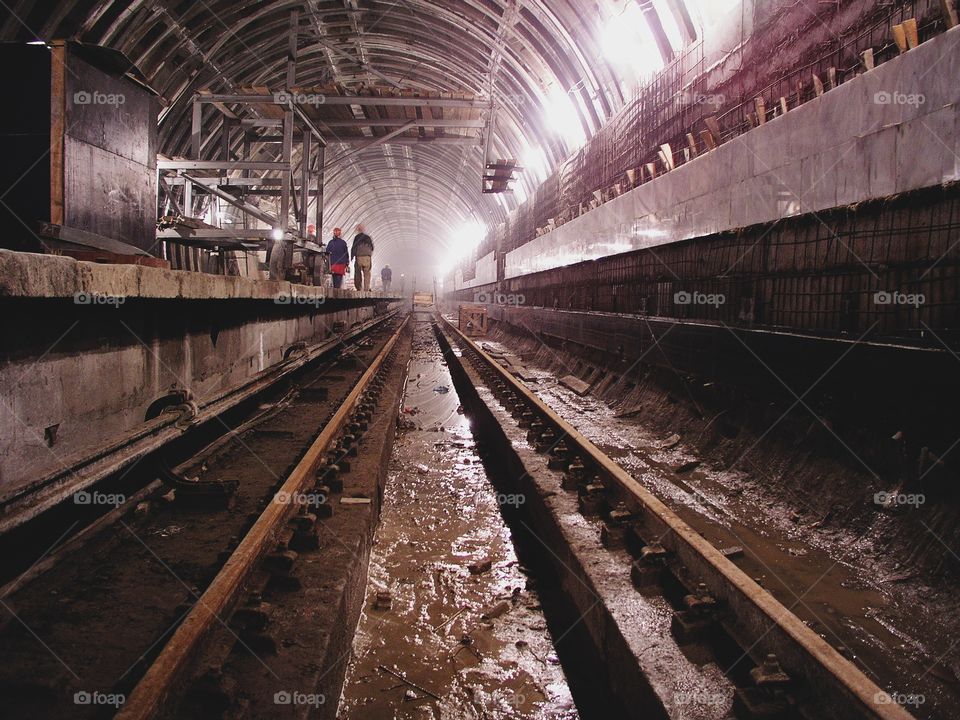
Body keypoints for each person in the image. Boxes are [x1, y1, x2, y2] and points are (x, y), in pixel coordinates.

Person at [351, 224, 374, 291]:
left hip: (359, 257)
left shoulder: (356, 237)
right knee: (367, 274)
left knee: (358, 273)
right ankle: (366, 288)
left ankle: (359, 288)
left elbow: (354, 247)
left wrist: (352, 256)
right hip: (367, 257)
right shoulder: (368, 237)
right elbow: (372, 247)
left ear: (358, 230)